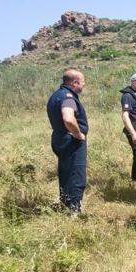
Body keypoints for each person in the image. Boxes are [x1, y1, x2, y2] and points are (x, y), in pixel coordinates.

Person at [46, 68, 88, 214]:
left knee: (65, 174)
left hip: (59, 138)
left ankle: (65, 206)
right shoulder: (68, 97)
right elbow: (69, 118)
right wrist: (78, 134)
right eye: (83, 82)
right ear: (75, 82)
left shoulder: (56, 95)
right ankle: (74, 211)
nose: (84, 85)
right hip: (71, 141)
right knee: (76, 175)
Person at [119, 72, 136, 184]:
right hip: (134, 127)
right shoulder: (128, 95)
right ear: (132, 82)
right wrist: (133, 133)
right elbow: (125, 116)